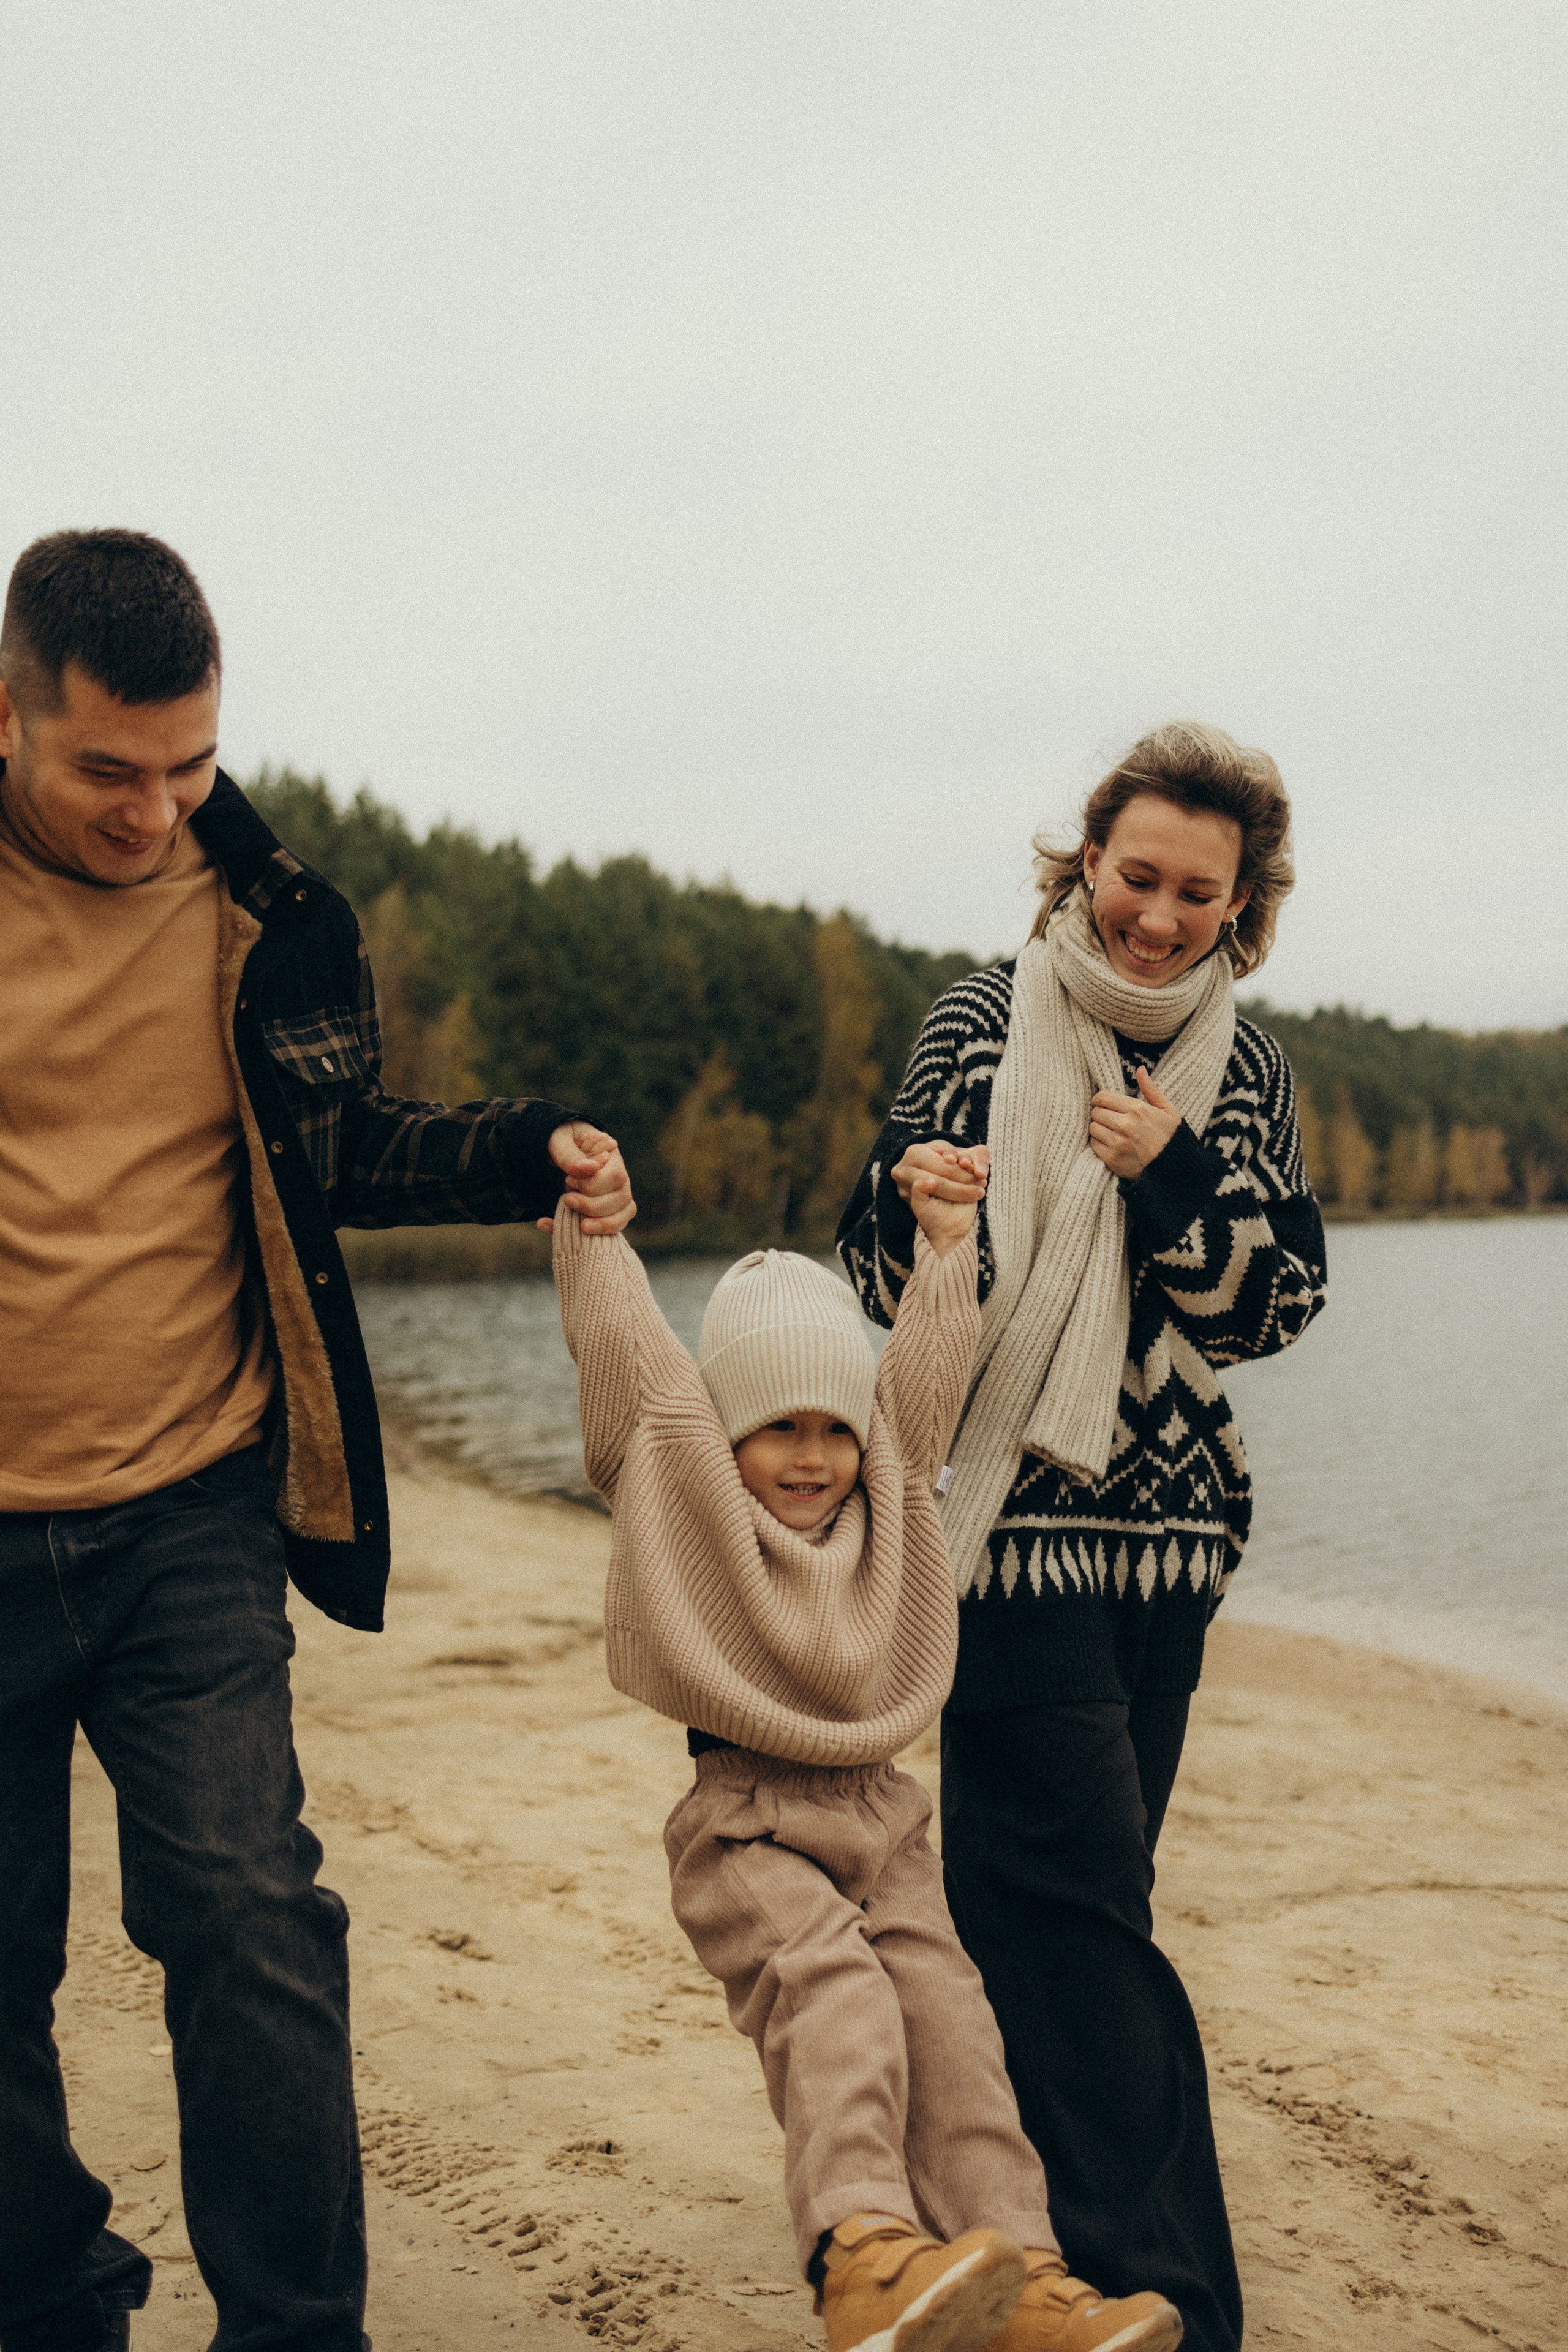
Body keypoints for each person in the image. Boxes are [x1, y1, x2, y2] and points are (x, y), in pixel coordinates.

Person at [0, 529, 636, 2352]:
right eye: (108, 770)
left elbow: (334, 1147)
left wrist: (530, 1149)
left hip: (190, 1506)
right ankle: (49, 2301)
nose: (154, 810)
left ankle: (298, 2333)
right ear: (12, 712)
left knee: (251, 1918)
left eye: (190, 765)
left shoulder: (276, 911)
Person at [837, 722, 1329, 2352]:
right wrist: (917, 1213)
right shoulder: (982, 1020)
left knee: (1039, 1903)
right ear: (1086, 864)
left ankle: (992, 2233)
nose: (1162, 915)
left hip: (1172, 1553)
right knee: (1080, 1908)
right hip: (1006, 1533)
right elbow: (863, 1272)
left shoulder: (1242, 1070)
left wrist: (1180, 1177)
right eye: (1140, 877)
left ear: (1242, 903)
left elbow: (1278, 1304)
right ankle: (1170, 2295)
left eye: (1203, 891)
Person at [549, 1166, 1185, 2352]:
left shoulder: (886, 1493)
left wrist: (947, 1248)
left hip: (883, 1816)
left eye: (832, 1428)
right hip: (748, 1819)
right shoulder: (683, 1483)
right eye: (776, 1429)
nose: (810, 1456)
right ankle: (861, 2255)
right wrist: (594, 1233)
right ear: (722, 1432)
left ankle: (1022, 2274)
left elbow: (923, 1380)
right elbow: (627, 1357)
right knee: (836, 2002)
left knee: (950, 2023)